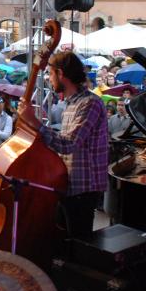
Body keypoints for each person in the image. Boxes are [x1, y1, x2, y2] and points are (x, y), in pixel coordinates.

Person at [20, 51, 108, 239]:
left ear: (60, 73)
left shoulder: (90, 103)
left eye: (50, 74)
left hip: (83, 189)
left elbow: (69, 144)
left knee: (78, 243)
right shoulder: (71, 104)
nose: (49, 79)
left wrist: (34, 122)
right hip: (68, 185)